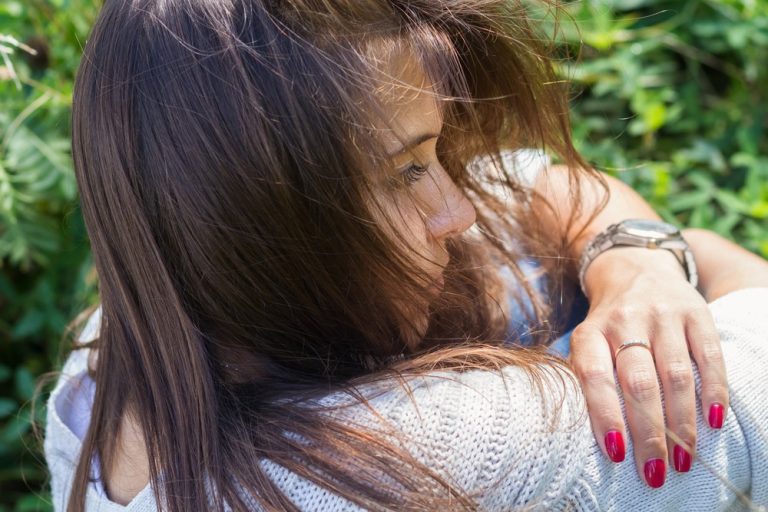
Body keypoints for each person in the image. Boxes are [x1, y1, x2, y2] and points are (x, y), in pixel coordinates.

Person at [42, 0, 768, 510]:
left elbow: (527, 182)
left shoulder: (100, 381)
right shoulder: (423, 453)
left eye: (436, 153)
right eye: (408, 170)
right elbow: (751, 410)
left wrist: (633, 257)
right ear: (259, 213)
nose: (457, 212)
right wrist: (704, 255)